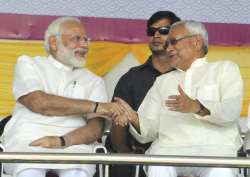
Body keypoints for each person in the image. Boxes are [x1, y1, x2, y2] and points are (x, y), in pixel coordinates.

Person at [115, 20, 243, 177]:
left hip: (216, 151)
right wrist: (133, 117)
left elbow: (231, 111)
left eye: (173, 42)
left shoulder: (224, 69)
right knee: (159, 167)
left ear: (196, 42)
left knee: (220, 171)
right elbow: (149, 130)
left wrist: (197, 106)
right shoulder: (163, 81)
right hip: (168, 152)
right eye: (166, 44)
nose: (168, 48)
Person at [1, 17, 123, 177]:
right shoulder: (29, 64)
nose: (85, 45)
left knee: (78, 170)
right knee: (30, 169)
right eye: (77, 38)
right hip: (29, 140)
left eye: (86, 39)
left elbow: (96, 128)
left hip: (74, 144)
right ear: (53, 43)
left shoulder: (94, 81)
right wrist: (95, 106)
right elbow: (39, 103)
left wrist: (61, 141)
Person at [107, 11, 180, 177]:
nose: (156, 35)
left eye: (163, 30)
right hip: (139, 156)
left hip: (179, 154)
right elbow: (118, 120)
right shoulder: (132, 77)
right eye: (151, 31)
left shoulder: (188, 76)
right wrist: (125, 155)